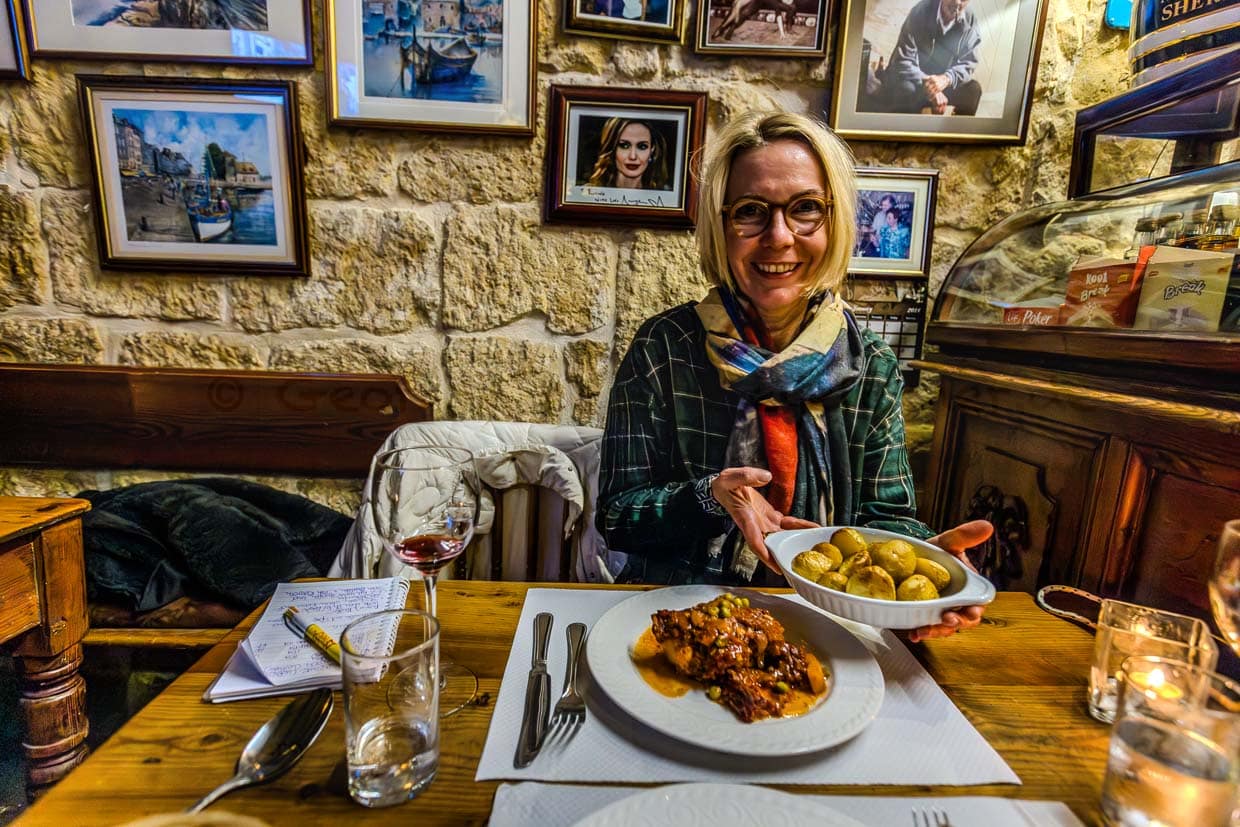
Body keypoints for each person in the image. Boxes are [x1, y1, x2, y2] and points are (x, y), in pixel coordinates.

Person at [596, 110, 989, 642]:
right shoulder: (664, 347)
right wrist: (712, 496)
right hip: (673, 614)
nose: (779, 237)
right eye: (751, 212)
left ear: (835, 220)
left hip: (828, 630)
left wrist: (921, 565)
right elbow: (618, 516)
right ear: (721, 225)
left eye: (805, 208)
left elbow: (885, 519)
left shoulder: (870, 362)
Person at [884, 0, 983, 116]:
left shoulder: (971, 19)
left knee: (973, 90)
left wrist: (946, 79)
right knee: (906, 89)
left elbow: (968, 63)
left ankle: (956, 132)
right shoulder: (920, 11)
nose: (957, 2)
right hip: (916, 80)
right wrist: (931, 86)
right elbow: (903, 60)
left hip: (942, 82)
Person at [585, 118, 670, 190]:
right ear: (612, 149)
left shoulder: (665, 197)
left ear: (652, 150)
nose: (633, 156)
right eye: (624, 146)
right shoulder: (588, 194)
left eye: (642, 147)